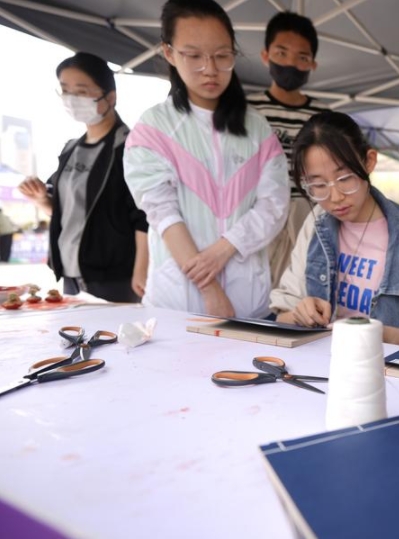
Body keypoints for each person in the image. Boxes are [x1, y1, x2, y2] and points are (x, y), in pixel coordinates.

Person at [124, 0, 289, 318]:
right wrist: (210, 290)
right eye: (194, 55)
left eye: (221, 56)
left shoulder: (256, 127)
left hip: (250, 301)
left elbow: (275, 204)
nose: (210, 69)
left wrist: (223, 249)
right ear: (170, 53)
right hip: (179, 304)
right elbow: (163, 214)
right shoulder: (154, 128)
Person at [270, 111, 399, 345]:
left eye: (344, 179)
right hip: (318, 366)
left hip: (383, 374)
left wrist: (378, 335)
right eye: (318, 185)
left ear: (369, 161)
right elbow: (282, 317)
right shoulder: (316, 224)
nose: (335, 197)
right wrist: (299, 314)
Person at [18, 52, 147, 302]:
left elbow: (144, 216)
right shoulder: (70, 149)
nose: (72, 99)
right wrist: (41, 199)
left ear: (110, 97)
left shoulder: (130, 147)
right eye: (65, 90)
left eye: (82, 91)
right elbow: (67, 211)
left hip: (117, 277)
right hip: (72, 275)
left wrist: (141, 270)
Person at [247, 12, 330, 290]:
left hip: (310, 217)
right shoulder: (247, 112)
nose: (291, 63)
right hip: (258, 218)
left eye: (302, 57)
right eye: (282, 53)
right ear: (265, 55)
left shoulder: (323, 117)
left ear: (313, 64)